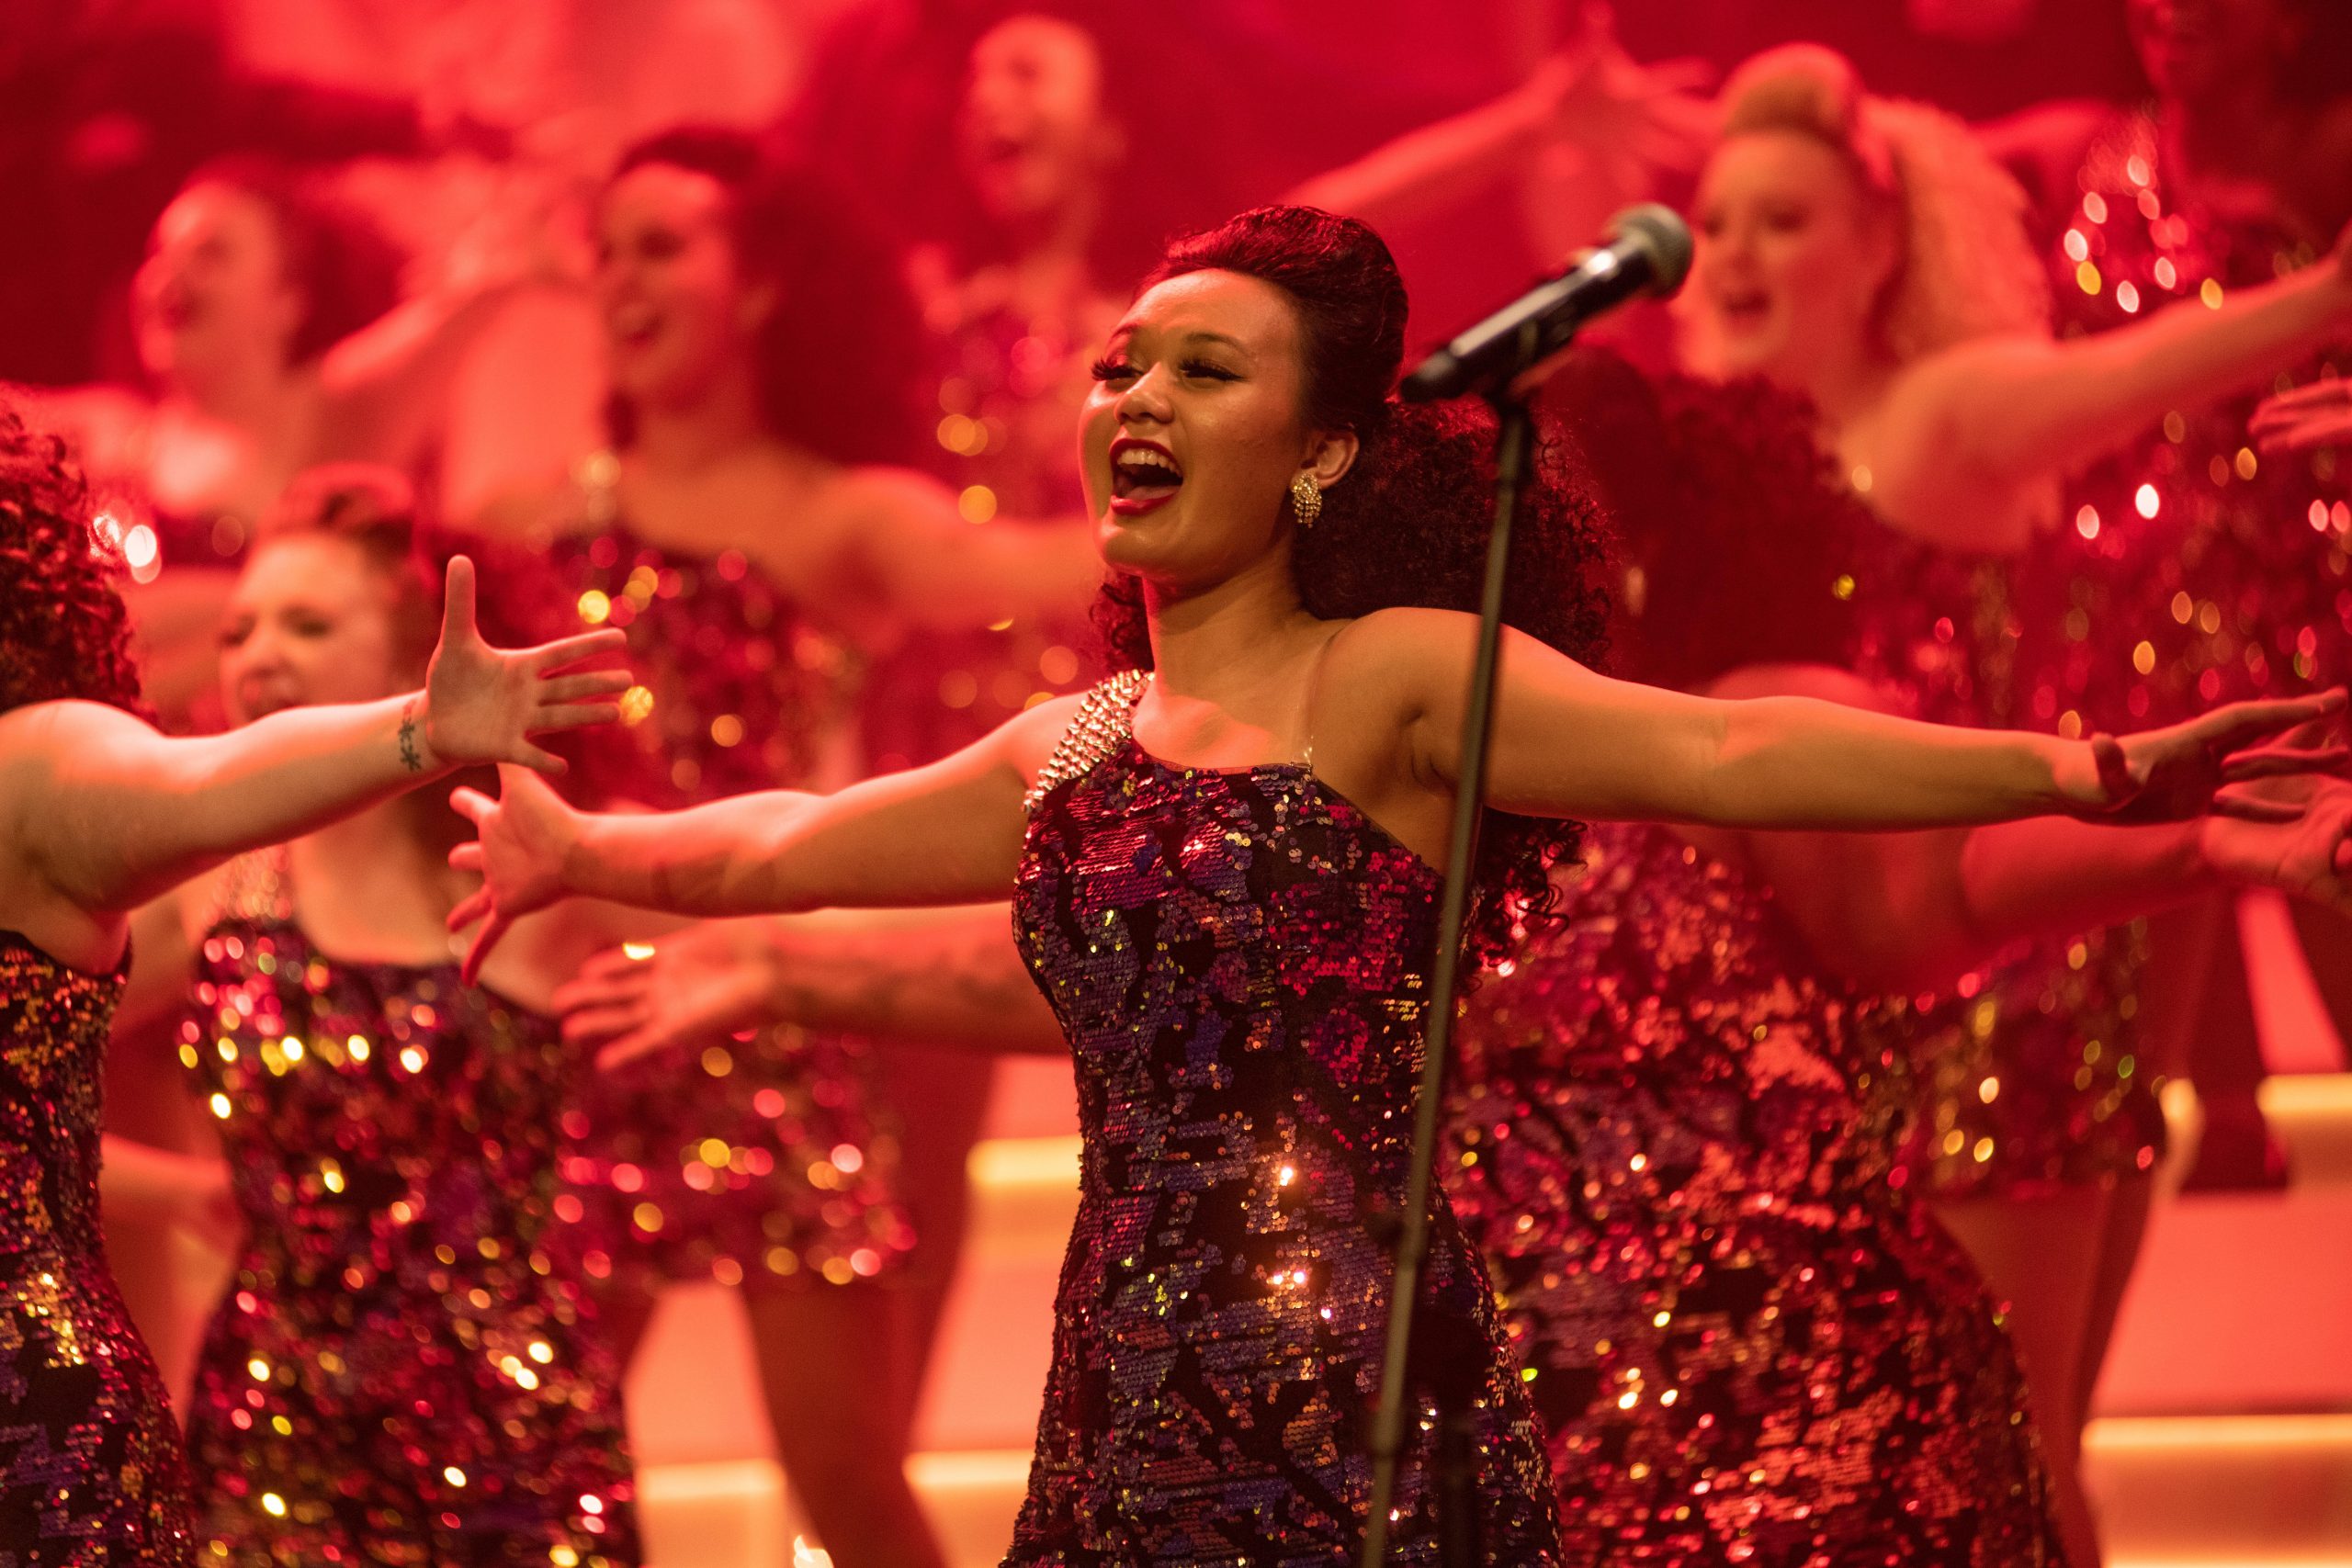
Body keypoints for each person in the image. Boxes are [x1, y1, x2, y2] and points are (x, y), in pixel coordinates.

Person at [447, 206, 2341, 1563]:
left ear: (1320, 451)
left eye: (1202, 368)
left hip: (1359, 1362)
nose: (1136, 395)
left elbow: (1729, 753)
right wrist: (582, 848)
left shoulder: (1392, 679)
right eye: (1121, 364)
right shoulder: (1081, 736)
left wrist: (2084, 770)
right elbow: (794, 840)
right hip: (1122, 1370)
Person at [467, 124, 1102, 1568]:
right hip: (573, 1021)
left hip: (767, 1011)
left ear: (755, 287)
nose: (626, 279)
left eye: (665, 245)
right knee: (530, 1462)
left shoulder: (837, 516)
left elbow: (1050, 569)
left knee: (844, 1479)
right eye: (610, 249)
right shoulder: (525, 521)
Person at [0, 400, 624, 1559]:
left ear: (412, 647)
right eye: (239, 632)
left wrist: (425, 735)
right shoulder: (223, 897)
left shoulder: (542, 858)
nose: (260, 657)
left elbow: (764, 907)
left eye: (303, 622)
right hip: (278, 1415)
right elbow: (28, 1081)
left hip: (509, 1425)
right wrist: (164, 1194)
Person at [17, 156, 548, 727]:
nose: (171, 274)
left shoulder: (328, 419)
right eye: (158, 255)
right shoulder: (99, 433)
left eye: (211, 253)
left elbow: (465, 303)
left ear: (286, 301)